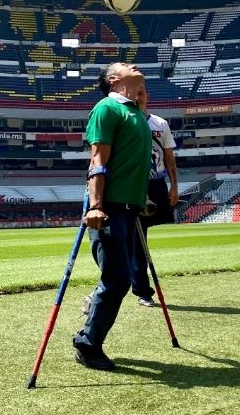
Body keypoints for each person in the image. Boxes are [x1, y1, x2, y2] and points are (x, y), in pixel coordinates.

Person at [73, 62, 151, 371]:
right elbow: (98, 159)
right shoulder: (107, 108)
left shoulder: (136, 113)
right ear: (114, 79)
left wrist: (140, 199)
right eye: (122, 65)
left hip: (128, 207)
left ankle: (92, 315)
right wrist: (95, 205)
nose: (132, 63)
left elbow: (135, 162)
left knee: (120, 277)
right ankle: (87, 343)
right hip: (108, 208)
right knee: (117, 278)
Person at [132, 87, 180, 307]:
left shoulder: (160, 123)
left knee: (141, 238)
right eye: (135, 94)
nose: (138, 97)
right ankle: (142, 290)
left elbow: (170, 158)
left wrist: (174, 187)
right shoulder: (126, 122)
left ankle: (138, 284)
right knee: (137, 241)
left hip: (157, 185)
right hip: (134, 186)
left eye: (142, 93)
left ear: (148, 97)